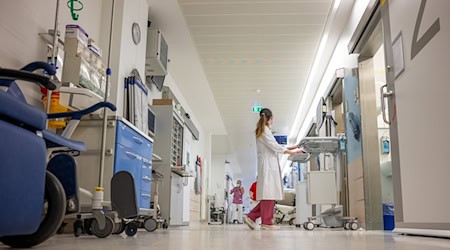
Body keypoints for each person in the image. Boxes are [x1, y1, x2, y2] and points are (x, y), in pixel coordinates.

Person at [244, 108, 304, 230]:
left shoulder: (264, 131)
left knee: (269, 194)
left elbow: (275, 145)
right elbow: (275, 146)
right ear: (270, 118)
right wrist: (291, 151)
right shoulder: (265, 130)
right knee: (269, 193)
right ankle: (266, 222)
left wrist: (293, 148)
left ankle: (252, 217)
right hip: (268, 165)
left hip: (268, 164)